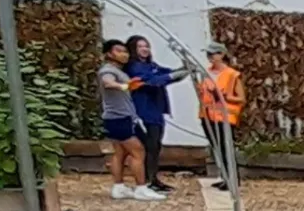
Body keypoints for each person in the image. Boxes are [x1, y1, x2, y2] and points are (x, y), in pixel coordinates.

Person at [98, 40, 161, 201]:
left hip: (117, 117)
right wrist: (124, 86)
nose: (124, 54)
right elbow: (108, 82)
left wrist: (129, 85)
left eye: (125, 51)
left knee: (120, 152)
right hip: (119, 117)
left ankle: (118, 187)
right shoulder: (108, 70)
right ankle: (141, 188)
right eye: (119, 51)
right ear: (109, 54)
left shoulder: (119, 71)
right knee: (138, 151)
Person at [125, 35, 185, 195]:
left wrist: (183, 70)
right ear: (133, 49)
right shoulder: (134, 67)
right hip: (144, 112)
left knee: (155, 146)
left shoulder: (151, 65)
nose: (145, 49)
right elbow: (152, 81)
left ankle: (153, 179)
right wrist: (173, 76)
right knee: (148, 147)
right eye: (140, 46)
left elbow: (166, 74)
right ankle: (146, 182)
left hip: (156, 112)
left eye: (147, 46)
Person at [197, 43, 244, 192]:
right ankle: (224, 177)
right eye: (208, 54)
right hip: (208, 116)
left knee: (226, 149)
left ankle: (232, 180)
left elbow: (241, 98)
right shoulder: (206, 73)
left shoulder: (231, 74)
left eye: (213, 54)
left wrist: (225, 97)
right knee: (216, 149)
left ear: (222, 55)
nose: (210, 57)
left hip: (224, 117)